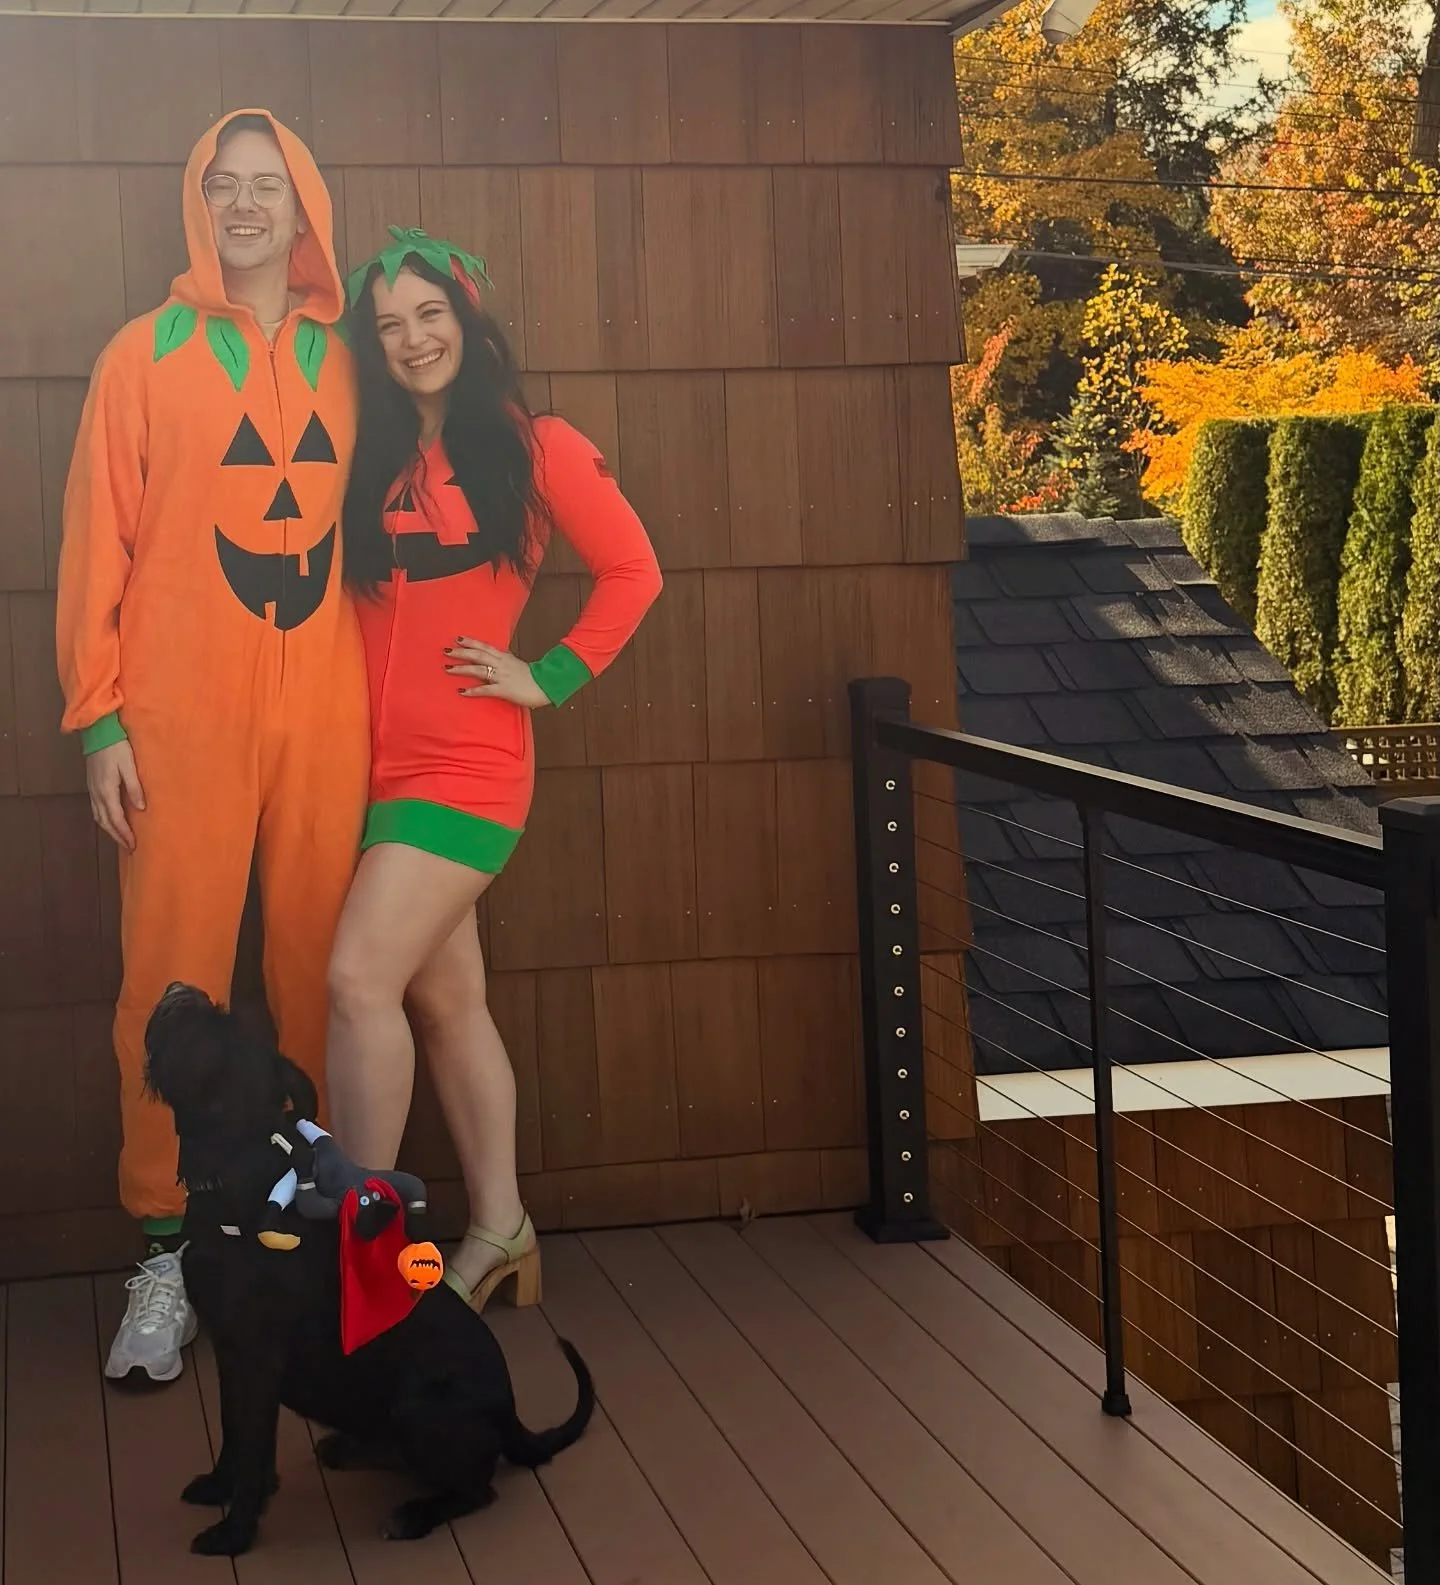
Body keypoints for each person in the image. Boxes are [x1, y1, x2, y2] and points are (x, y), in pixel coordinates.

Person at [54, 110, 368, 1383]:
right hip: (176, 717)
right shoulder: (144, 354)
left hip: (327, 712)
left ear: (305, 212)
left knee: (322, 969)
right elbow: (96, 543)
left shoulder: (352, 361)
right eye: (225, 186)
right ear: (200, 203)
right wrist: (98, 717)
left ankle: (319, 1227)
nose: (246, 206)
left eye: (270, 186)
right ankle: (168, 1250)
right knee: (169, 979)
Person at [325, 227, 662, 1310]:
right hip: (370, 772)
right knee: (448, 1002)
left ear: (467, 319)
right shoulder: (369, 453)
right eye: (388, 326)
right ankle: (502, 1227)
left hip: (467, 769)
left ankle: (362, 1269)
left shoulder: (537, 442)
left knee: (356, 980)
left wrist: (548, 674)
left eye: (429, 315)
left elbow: (634, 570)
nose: (412, 339)